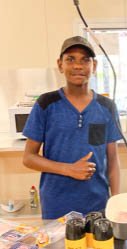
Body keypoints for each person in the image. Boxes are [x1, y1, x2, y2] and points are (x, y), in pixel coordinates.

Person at [23, 36, 121, 219]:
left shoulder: (106, 107)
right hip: (56, 204)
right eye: (71, 59)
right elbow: (28, 158)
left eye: (85, 60)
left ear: (95, 66)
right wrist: (68, 169)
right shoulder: (46, 104)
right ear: (60, 65)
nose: (78, 66)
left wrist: (115, 200)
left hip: (97, 204)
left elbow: (113, 160)